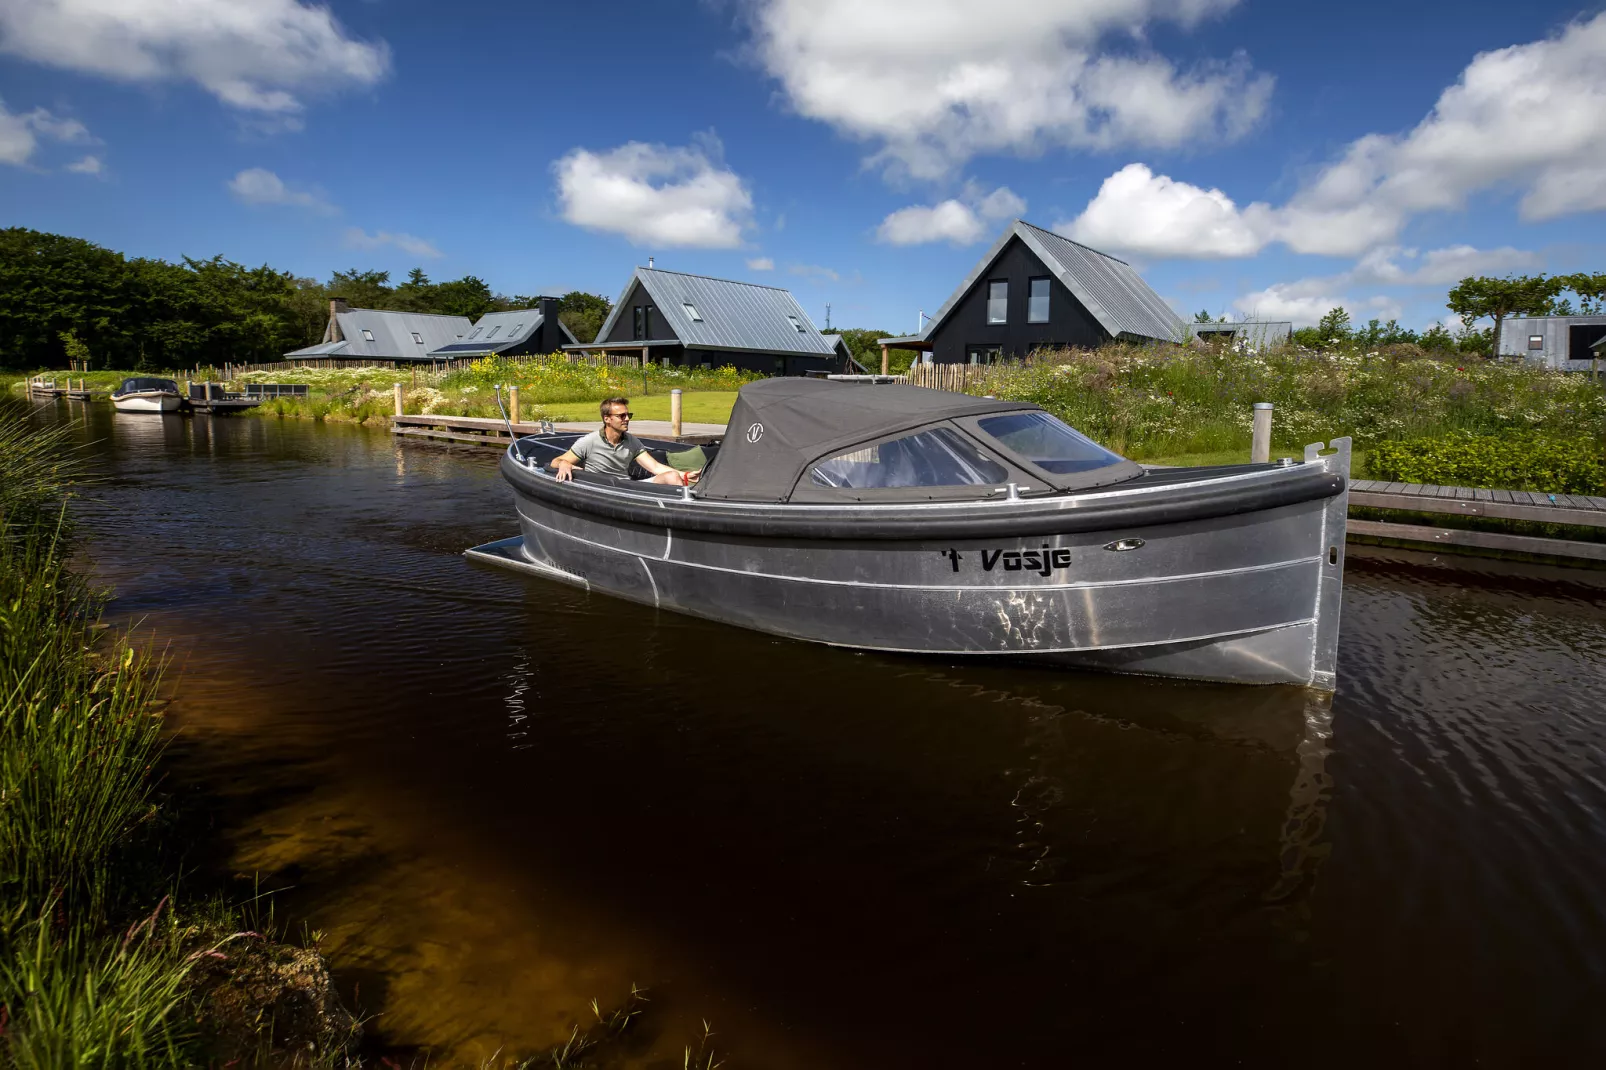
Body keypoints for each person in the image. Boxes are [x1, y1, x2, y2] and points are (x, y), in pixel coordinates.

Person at [550, 397, 697, 485]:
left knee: (672, 477)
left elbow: (655, 467)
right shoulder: (589, 441)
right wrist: (565, 463)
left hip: (626, 487)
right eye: (621, 416)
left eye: (628, 415)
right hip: (599, 488)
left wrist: (684, 475)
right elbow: (555, 462)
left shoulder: (632, 441)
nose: (627, 419)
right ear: (607, 419)